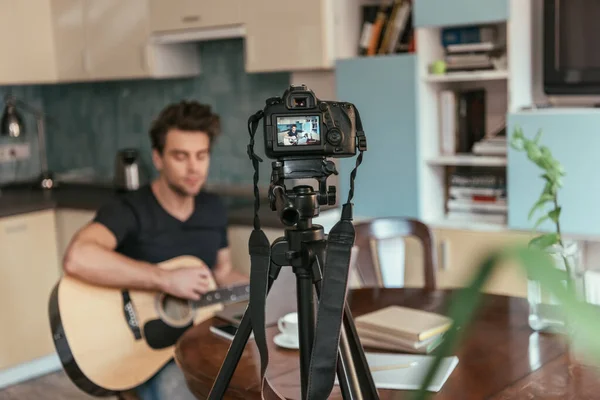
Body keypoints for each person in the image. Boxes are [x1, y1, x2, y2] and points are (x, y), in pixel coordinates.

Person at [62, 100, 249, 400]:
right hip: (144, 351)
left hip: (197, 339)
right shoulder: (128, 209)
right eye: (180, 156)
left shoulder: (213, 208)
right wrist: (165, 279)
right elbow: (78, 257)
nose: (194, 168)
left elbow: (222, 272)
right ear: (158, 158)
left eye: (201, 156)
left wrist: (269, 287)